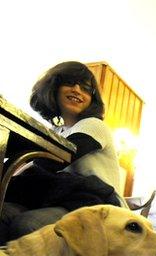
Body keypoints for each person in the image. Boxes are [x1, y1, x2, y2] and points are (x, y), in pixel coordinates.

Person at [0, 61, 124, 244]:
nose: (77, 90)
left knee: (27, 224)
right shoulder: (57, 132)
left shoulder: (93, 125)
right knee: (4, 212)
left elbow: (53, 161)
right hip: (65, 199)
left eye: (85, 88)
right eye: (70, 82)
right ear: (53, 88)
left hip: (99, 205)